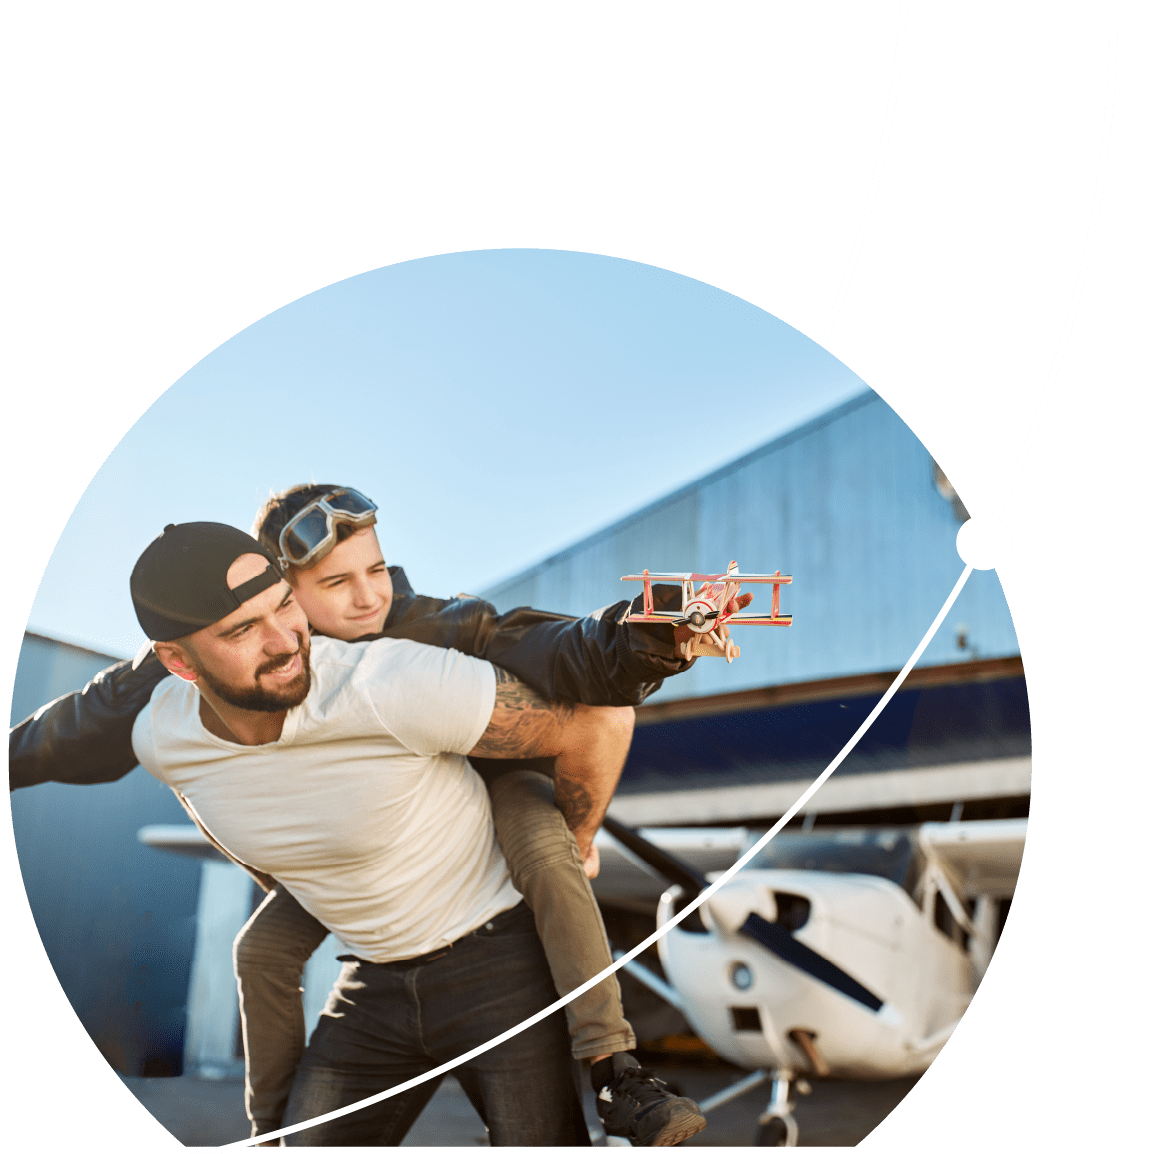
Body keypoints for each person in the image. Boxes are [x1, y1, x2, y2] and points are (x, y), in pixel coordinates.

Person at [11, 495, 748, 1145]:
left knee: (549, 854)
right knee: (259, 953)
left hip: (494, 853)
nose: (366, 599)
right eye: (332, 584)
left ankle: (616, 1068)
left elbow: (569, 662)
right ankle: (271, 1132)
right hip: (369, 950)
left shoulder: (413, 646)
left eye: (377, 572)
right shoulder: (167, 715)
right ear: (180, 659)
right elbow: (84, 722)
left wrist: (655, 631)